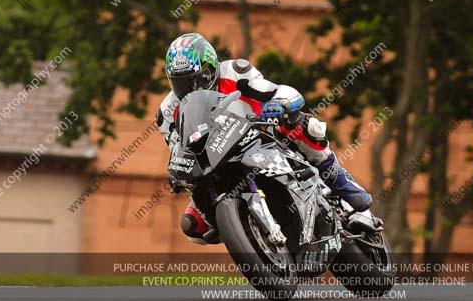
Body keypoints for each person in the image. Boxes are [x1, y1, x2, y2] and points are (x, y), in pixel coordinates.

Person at [157, 32, 372, 243]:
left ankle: (344, 186)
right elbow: (178, 149)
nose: (192, 88)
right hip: (213, 160)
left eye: (198, 79)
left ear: (211, 67)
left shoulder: (234, 72)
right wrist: (176, 174)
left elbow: (278, 92)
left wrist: (280, 103)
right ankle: (245, 231)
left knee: (305, 126)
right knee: (192, 225)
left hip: (260, 134)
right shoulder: (167, 112)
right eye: (182, 83)